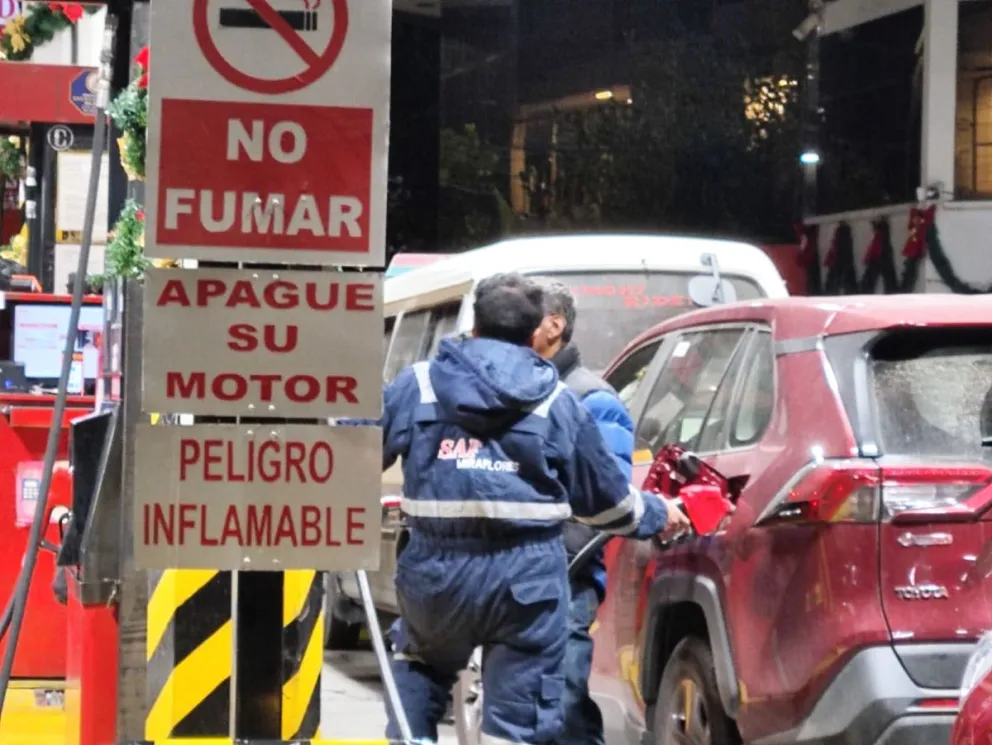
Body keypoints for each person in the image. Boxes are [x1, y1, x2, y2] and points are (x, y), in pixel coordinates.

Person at [379, 273, 689, 745]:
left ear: (474, 326)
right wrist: (659, 513)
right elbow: (606, 503)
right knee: (516, 724)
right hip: (526, 586)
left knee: (419, 672)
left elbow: (348, 453)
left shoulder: (417, 386)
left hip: (435, 579)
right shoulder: (557, 401)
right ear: (533, 335)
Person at [532, 280, 629, 745]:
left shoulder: (594, 400)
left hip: (564, 580)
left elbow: (607, 500)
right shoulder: (521, 389)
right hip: (520, 580)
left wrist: (544, 554)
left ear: (556, 325)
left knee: (566, 704)